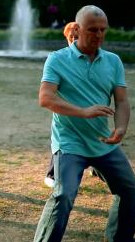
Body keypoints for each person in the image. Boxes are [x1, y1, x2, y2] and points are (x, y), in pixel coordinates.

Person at [33, 5, 135, 242]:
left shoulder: (113, 61)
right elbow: (46, 98)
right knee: (63, 195)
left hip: (103, 142)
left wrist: (120, 128)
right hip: (69, 143)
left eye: (103, 30)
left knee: (130, 189)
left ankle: (120, 238)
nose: (99, 35)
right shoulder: (57, 59)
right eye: (93, 30)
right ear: (78, 29)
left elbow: (122, 101)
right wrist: (82, 111)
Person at [43, 21, 78, 188]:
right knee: (64, 143)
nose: (74, 41)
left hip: (90, 115)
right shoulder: (59, 58)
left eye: (77, 37)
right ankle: (51, 174)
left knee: (95, 139)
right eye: (71, 38)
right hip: (66, 113)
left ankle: (96, 167)